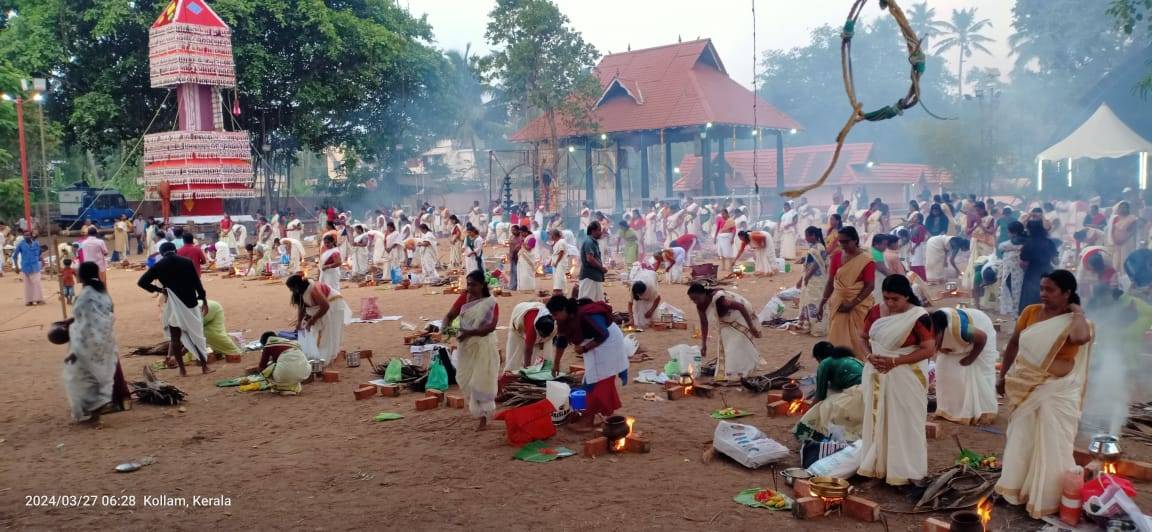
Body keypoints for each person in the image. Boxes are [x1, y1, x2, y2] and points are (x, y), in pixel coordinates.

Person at [995, 271, 1093, 518]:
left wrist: (1078, 313)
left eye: (1050, 290)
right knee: (1021, 438)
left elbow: (1081, 338)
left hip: (1057, 393)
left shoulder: (1075, 321)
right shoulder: (1030, 312)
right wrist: (1003, 375)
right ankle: (1013, 491)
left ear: (1067, 293)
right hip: (1025, 386)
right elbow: (1014, 344)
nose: (1043, 294)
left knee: (1053, 443)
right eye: (1042, 288)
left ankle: (1046, 497)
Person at [856, 274, 935, 486]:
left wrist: (896, 362)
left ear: (907, 296)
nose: (890, 304)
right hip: (876, 373)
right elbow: (862, 338)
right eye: (887, 298)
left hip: (907, 377)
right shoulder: (875, 311)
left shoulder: (919, 317)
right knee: (878, 418)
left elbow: (928, 349)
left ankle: (905, 471)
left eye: (895, 299)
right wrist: (869, 356)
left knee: (906, 422)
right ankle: (880, 466)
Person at [61, 262, 131, 424]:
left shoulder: (85, 295)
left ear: (82, 276)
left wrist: (70, 325)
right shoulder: (103, 292)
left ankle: (93, 414)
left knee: (82, 377)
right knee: (102, 375)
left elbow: (85, 321)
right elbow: (104, 314)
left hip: (88, 342)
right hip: (105, 340)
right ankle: (98, 412)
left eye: (78, 273)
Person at [547, 295, 629, 431]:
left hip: (608, 343)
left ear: (564, 309)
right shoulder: (564, 319)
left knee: (596, 380)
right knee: (592, 378)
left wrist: (585, 348)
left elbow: (603, 334)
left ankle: (588, 420)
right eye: (552, 315)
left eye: (556, 314)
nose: (554, 317)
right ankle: (592, 414)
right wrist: (556, 364)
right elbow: (561, 341)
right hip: (594, 344)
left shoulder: (586, 316)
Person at [137, 242, 212, 376]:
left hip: (173, 304)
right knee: (197, 335)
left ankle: (182, 370)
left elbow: (142, 282)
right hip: (190, 302)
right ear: (175, 250)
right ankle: (204, 367)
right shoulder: (187, 262)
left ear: (161, 253)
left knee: (175, 338)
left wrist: (160, 290)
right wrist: (203, 299)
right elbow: (196, 282)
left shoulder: (158, 266)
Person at [443, 270, 501, 430]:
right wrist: (446, 328)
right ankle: (478, 411)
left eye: (473, 284)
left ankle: (484, 416)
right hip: (465, 347)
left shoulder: (490, 302)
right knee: (466, 378)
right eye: (468, 284)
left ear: (482, 285)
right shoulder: (464, 297)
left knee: (482, 380)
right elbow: (449, 315)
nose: (470, 287)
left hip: (484, 346)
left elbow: (491, 327)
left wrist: (469, 333)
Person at [930, 308, 998, 426]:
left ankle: (984, 412)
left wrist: (971, 358)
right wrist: (940, 347)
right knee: (943, 368)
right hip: (961, 339)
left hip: (981, 331)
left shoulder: (962, 330)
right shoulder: (928, 325)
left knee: (979, 373)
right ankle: (946, 410)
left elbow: (982, 337)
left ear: (940, 331)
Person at [819, 227, 875, 358]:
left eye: (845, 242)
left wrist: (852, 303)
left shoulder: (866, 260)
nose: (842, 245)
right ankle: (839, 364)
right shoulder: (837, 256)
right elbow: (830, 281)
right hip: (838, 303)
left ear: (855, 240)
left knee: (859, 337)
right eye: (840, 242)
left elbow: (869, 286)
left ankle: (860, 365)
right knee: (836, 335)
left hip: (858, 306)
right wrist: (822, 302)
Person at [688, 282, 762, 378]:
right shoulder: (700, 306)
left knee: (738, 345)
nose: (695, 301)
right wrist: (704, 345)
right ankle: (733, 373)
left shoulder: (719, 300)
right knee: (728, 347)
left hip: (739, 317)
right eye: (692, 299)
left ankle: (743, 372)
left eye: (696, 298)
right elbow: (704, 323)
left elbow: (741, 307)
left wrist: (751, 326)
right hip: (725, 322)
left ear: (704, 294)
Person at [793, 342, 864, 442]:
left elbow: (820, 395)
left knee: (824, 408)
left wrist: (807, 413)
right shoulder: (849, 358)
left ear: (818, 357)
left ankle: (818, 437)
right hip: (870, 390)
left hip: (858, 394)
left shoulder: (825, 363)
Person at [286, 273, 350, 365]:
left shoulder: (313, 290)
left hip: (334, 304)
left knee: (328, 332)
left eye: (291, 288)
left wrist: (312, 320)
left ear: (296, 286)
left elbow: (325, 306)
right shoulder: (299, 291)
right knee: (315, 332)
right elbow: (302, 306)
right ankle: (318, 353)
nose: (290, 290)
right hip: (324, 307)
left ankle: (327, 356)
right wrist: (299, 322)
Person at [503, 301, 557, 372]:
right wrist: (527, 370)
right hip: (520, 311)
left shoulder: (554, 324)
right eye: (541, 335)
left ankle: (542, 368)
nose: (543, 337)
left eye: (546, 335)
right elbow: (528, 351)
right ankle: (512, 369)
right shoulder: (531, 330)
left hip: (538, 308)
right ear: (537, 330)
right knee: (516, 347)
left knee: (544, 346)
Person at [1018, 220, 1059, 313]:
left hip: (1032, 274)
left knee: (1030, 301)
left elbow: (1023, 263)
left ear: (1030, 230)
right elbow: (1056, 261)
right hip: (1048, 272)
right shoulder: (1050, 243)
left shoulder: (1029, 244)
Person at [797, 226, 829, 336]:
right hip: (812, 279)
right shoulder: (814, 247)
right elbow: (808, 264)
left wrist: (806, 277)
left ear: (813, 236)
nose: (805, 238)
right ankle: (809, 325)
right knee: (809, 301)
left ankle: (818, 328)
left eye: (807, 235)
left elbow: (815, 265)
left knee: (815, 301)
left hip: (815, 279)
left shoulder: (818, 248)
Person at [998, 221, 1026, 319]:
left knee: (1014, 291)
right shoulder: (1026, 241)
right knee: (1018, 291)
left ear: (1013, 233)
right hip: (1020, 272)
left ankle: (1016, 313)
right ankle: (1017, 312)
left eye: (1008, 232)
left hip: (1013, 272)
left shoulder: (1008, 244)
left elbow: (1001, 247)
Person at [578, 222, 607, 301]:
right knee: (587, 303)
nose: (600, 232)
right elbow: (590, 259)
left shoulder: (592, 242)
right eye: (599, 230)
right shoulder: (589, 242)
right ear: (593, 231)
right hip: (589, 277)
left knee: (598, 303)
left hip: (594, 277)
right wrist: (601, 268)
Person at [14, 231, 45, 305]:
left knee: (37, 282)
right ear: (23, 236)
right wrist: (16, 267)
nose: (26, 236)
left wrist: (42, 260)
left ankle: (39, 299)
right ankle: (29, 301)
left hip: (35, 266)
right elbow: (15, 256)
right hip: (25, 266)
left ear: (31, 236)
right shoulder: (21, 244)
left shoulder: (36, 243)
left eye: (28, 235)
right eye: (25, 235)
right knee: (28, 284)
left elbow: (39, 253)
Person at [713, 208, 737, 274]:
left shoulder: (731, 220)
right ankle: (723, 266)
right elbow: (717, 229)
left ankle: (730, 267)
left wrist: (732, 238)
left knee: (729, 252)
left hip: (728, 237)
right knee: (721, 252)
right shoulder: (719, 219)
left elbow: (734, 230)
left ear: (727, 213)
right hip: (720, 237)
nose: (723, 215)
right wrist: (715, 238)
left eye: (724, 214)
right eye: (722, 214)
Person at [516, 225, 537, 292]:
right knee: (522, 273)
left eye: (521, 233)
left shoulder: (531, 238)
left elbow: (529, 248)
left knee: (527, 273)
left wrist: (523, 243)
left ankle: (528, 288)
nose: (521, 234)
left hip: (528, 258)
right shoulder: (526, 238)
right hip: (523, 257)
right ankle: (522, 287)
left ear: (525, 232)